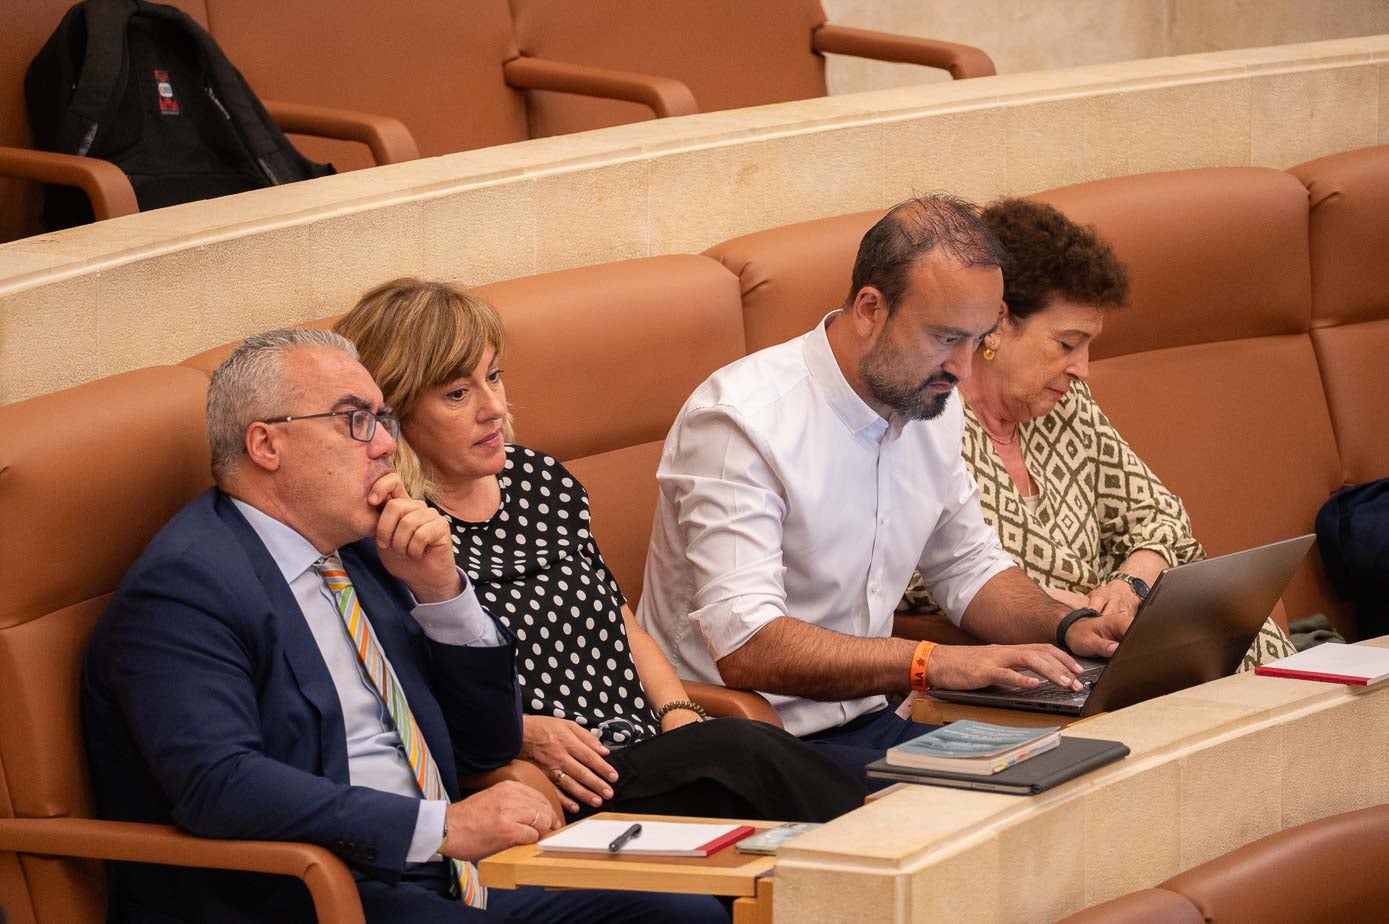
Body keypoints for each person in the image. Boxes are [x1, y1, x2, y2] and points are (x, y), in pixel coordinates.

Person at [82, 329, 726, 923]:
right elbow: (218, 785)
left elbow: (485, 744)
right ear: (266, 444)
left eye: (382, 419)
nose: (387, 444)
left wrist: (443, 594)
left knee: (682, 911)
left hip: (444, 871)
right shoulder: (188, 587)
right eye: (355, 421)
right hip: (314, 888)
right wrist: (440, 827)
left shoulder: (365, 549)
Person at [333, 278, 865, 821]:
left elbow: (621, 620)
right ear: (392, 414)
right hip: (567, 782)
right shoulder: (400, 536)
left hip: (656, 744)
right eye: (457, 394)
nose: (494, 408)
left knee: (838, 771)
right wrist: (521, 736)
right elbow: (413, 691)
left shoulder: (538, 479)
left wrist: (678, 710)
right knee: (756, 760)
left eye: (493, 376)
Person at [636, 194, 1124, 782]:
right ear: (870, 309)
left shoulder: (930, 405)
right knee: (981, 815)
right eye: (946, 339)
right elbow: (749, 644)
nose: (965, 370)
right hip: (747, 739)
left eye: (977, 340)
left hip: (872, 721)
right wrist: (933, 663)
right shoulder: (742, 420)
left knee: (1080, 772)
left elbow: (970, 569)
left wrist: (1067, 627)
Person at [899, 197, 1296, 670]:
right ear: (997, 323)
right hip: (1030, 660)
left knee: (1250, 641)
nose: (1082, 369)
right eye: (1067, 344)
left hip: (1113, 639)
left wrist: (1130, 586)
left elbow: (1161, 519)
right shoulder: (928, 421)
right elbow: (912, 575)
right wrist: (1050, 610)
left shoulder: (1065, 407)